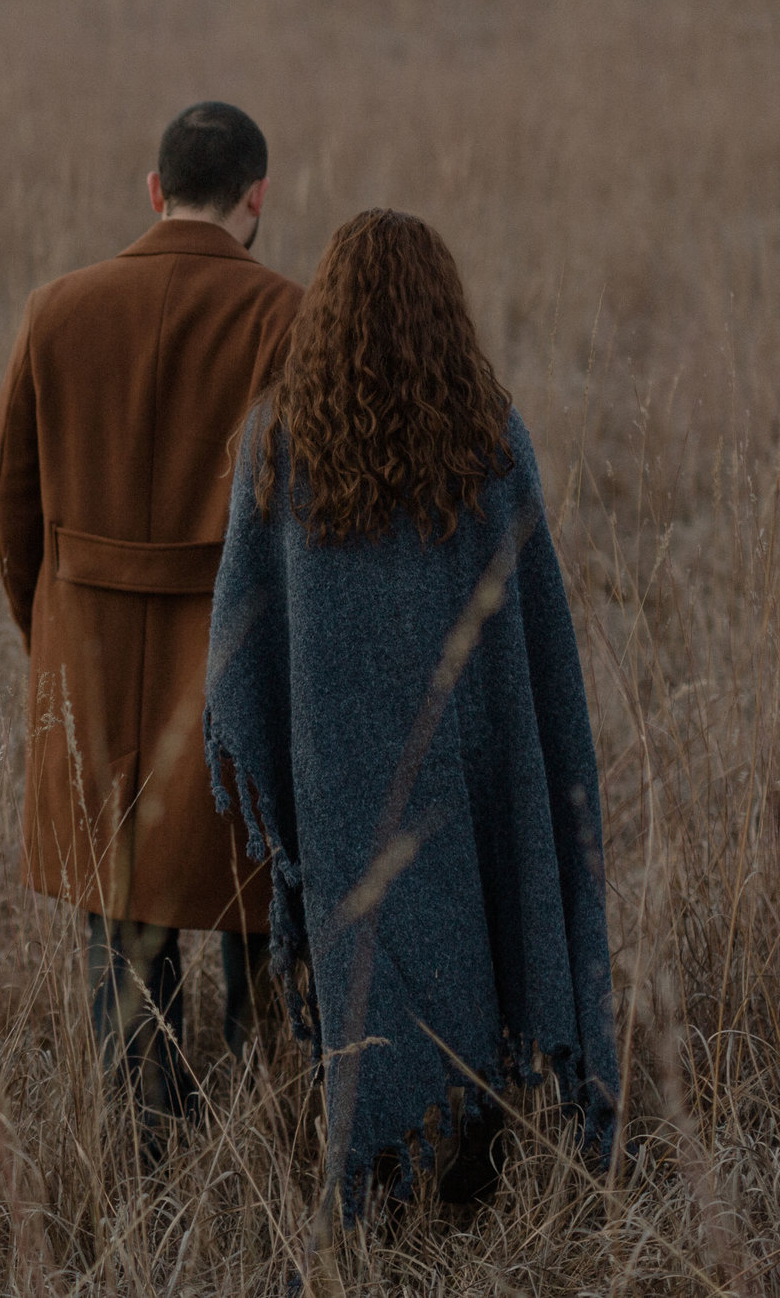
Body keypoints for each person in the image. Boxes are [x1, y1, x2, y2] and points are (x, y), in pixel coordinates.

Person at [203, 208, 618, 1220]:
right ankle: (469, 1174)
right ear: (446, 307)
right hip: (473, 761)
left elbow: (237, 646)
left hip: (342, 777)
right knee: (475, 927)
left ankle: (381, 1181)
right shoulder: (490, 431)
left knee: (364, 955)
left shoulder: (280, 437)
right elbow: (537, 632)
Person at [0, 101, 302, 1131]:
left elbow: (12, 511)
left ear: (152, 190)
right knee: (264, 895)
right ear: (256, 198)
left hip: (96, 668)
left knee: (124, 917)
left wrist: (58, 647)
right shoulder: (292, 318)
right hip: (244, 667)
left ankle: (144, 1138)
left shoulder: (55, 309)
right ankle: (273, 1119)